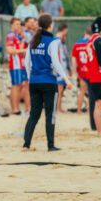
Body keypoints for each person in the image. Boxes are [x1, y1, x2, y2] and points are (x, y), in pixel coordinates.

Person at [23, 14, 72, 151]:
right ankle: (50, 145)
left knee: (34, 114)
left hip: (34, 81)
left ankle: (26, 145)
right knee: (50, 114)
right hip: (48, 82)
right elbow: (56, 63)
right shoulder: (53, 41)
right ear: (50, 25)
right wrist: (66, 79)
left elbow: (27, 62)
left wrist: (29, 77)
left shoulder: (33, 41)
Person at [6, 17, 31, 116]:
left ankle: (16, 108)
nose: (18, 26)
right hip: (15, 64)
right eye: (16, 24)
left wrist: (23, 39)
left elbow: (18, 48)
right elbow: (10, 50)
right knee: (16, 85)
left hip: (19, 63)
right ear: (11, 25)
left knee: (20, 85)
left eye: (19, 24)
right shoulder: (11, 35)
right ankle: (15, 109)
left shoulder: (16, 36)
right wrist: (23, 51)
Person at [70, 28, 92, 114]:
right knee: (91, 92)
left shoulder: (77, 43)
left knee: (82, 91)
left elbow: (73, 59)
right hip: (91, 70)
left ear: (84, 32)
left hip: (82, 70)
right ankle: (89, 110)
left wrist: (75, 71)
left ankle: (79, 110)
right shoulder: (91, 42)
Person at [54, 22, 71, 113]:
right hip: (58, 70)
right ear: (64, 30)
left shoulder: (59, 41)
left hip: (61, 69)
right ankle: (57, 108)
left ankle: (59, 107)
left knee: (61, 89)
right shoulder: (57, 41)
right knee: (59, 89)